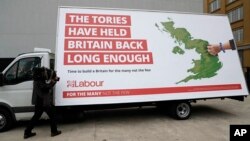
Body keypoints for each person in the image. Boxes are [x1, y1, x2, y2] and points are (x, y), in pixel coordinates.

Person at [24, 67, 61, 139]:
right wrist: (53, 82)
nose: (45, 73)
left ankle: (27, 132)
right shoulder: (39, 81)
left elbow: (45, 86)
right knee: (53, 115)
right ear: (40, 73)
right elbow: (45, 88)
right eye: (44, 72)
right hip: (43, 102)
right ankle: (54, 131)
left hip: (39, 101)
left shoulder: (37, 79)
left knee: (35, 117)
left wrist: (52, 81)